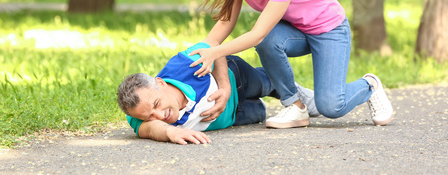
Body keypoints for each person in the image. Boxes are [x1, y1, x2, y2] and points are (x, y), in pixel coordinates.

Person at [188, 0, 393, 129]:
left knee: (331, 107)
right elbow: (224, 24)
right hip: (296, 31)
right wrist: (201, 53)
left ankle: (370, 85)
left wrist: (215, 52)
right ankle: (295, 104)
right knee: (268, 41)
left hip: (329, 29)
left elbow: (257, 34)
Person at [117, 41, 318, 145]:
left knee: (268, 84)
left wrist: (224, 88)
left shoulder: (183, 65)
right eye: (149, 116)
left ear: (159, 83)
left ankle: (298, 95)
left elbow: (212, 48)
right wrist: (171, 132)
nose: (160, 116)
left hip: (234, 78)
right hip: (234, 116)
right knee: (263, 116)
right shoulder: (139, 115)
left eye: (156, 105)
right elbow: (150, 129)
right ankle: (280, 99)